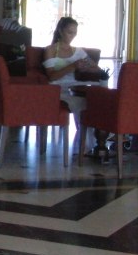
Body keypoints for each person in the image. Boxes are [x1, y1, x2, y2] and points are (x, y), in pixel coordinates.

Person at [42, 16, 104, 153]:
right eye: (69, 32)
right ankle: (92, 141)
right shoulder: (51, 50)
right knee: (83, 102)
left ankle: (102, 136)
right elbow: (51, 76)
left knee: (100, 97)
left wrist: (86, 68)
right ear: (60, 31)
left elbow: (98, 70)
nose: (72, 36)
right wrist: (72, 66)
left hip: (78, 84)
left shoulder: (78, 52)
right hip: (59, 87)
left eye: (74, 33)